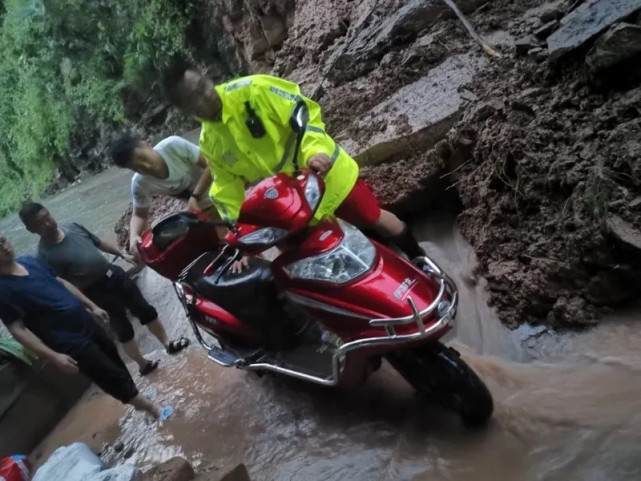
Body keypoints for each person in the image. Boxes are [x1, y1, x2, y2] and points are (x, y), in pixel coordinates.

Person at [159, 60, 425, 263]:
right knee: (319, 256)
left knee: (373, 217)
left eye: (203, 86)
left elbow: (303, 111)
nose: (206, 96)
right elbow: (226, 188)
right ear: (185, 110)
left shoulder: (254, 90)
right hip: (290, 203)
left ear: (207, 77)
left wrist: (313, 152)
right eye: (194, 98)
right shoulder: (209, 141)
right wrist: (241, 233)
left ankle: (419, 258)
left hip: (325, 173)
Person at [0, 232, 171, 420]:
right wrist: (54, 357)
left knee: (114, 359)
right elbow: (17, 330)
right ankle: (152, 408)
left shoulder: (29, 262)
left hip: (86, 323)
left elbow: (61, 283)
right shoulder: (3, 290)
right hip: (68, 340)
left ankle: (137, 399)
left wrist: (92, 306)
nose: (4, 246)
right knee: (107, 374)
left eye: (3, 240)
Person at [18, 202, 190, 376]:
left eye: (47, 216)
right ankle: (143, 364)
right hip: (95, 292)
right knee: (122, 328)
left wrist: (122, 254)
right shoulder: (45, 255)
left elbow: (99, 243)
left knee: (145, 310)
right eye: (41, 222)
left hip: (114, 275)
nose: (48, 223)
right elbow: (62, 285)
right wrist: (89, 307)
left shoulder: (72, 227)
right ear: (31, 229)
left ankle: (168, 343)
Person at [109, 134, 216, 257]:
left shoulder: (173, 146)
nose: (146, 166)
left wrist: (195, 196)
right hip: (203, 209)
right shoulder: (140, 183)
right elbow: (139, 215)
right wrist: (134, 237)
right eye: (137, 168)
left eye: (144, 158)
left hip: (226, 188)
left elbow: (211, 165)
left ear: (146, 145)